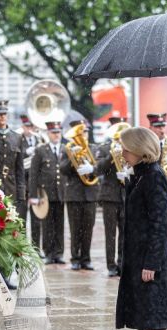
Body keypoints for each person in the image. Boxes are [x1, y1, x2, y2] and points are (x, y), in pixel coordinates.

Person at [116, 126, 167, 330]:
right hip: (139, 256)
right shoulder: (141, 175)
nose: (122, 151)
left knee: (157, 319)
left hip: (151, 259)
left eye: (126, 147)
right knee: (148, 318)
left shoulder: (154, 177)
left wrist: (151, 262)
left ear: (140, 149)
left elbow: (158, 223)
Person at [60, 120, 99, 271]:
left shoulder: (94, 148)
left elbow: (99, 169)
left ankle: (86, 259)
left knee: (88, 228)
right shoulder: (67, 149)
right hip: (74, 194)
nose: (83, 135)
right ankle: (75, 258)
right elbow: (63, 169)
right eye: (81, 132)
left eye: (85, 132)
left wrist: (92, 168)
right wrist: (72, 158)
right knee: (75, 228)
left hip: (90, 194)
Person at [28, 121, 66, 265]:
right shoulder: (41, 150)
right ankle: (49, 252)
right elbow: (33, 174)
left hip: (61, 193)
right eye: (53, 132)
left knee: (60, 225)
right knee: (48, 225)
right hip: (46, 194)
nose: (56, 135)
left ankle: (59, 253)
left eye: (58, 132)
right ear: (48, 134)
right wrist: (33, 195)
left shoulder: (65, 149)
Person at [94, 117, 127, 277]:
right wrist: (112, 157)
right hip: (110, 196)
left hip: (125, 195)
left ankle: (122, 262)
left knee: (124, 232)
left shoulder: (130, 148)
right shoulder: (105, 148)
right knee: (110, 233)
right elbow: (98, 169)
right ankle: (111, 265)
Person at [146, 113, 167, 261]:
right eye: (157, 126)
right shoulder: (146, 144)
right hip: (151, 194)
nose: (161, 129)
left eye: (162, 126)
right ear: (150, 127)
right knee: (151, 230)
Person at [20, 114, 44, 252]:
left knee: (37, 219)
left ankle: (36, 248)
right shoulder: (18, 139)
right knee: (21, 217)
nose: (30, 129)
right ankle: (22, 248)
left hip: (36, 183)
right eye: (27, 126)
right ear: (23, 126)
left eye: (31, 126)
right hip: (23, 181)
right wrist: (25, 153)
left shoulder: (39, 140)